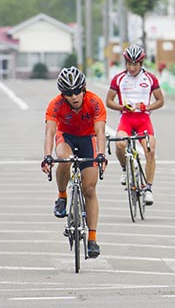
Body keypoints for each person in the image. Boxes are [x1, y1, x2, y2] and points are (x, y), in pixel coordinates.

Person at [41, 66, 108, 259]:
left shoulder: (94, 102)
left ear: (84, 88)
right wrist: (47, 155)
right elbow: (50, 132)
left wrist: (102, 154)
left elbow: (101, 131)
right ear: (63, 94)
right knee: (65, 159)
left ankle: (92, 239)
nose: (75, 96)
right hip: (67, 136)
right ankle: (62, 196)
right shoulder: (55, 104)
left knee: (89, 189)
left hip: (88, 138)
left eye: (78, 90)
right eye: (69, 93)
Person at [105, 44, 165, 205]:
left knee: (150, 149)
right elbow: (108, 101)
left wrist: (147, 107)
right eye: (129, 64)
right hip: (126, 118)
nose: (131, 67)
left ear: (141, 63)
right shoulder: (118, 79)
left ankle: (148, 189)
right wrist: (121, 107)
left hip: (143, 120)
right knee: (119, 144)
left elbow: (160, 101)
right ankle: (125, 169)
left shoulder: (150, 78)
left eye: (135, 64)